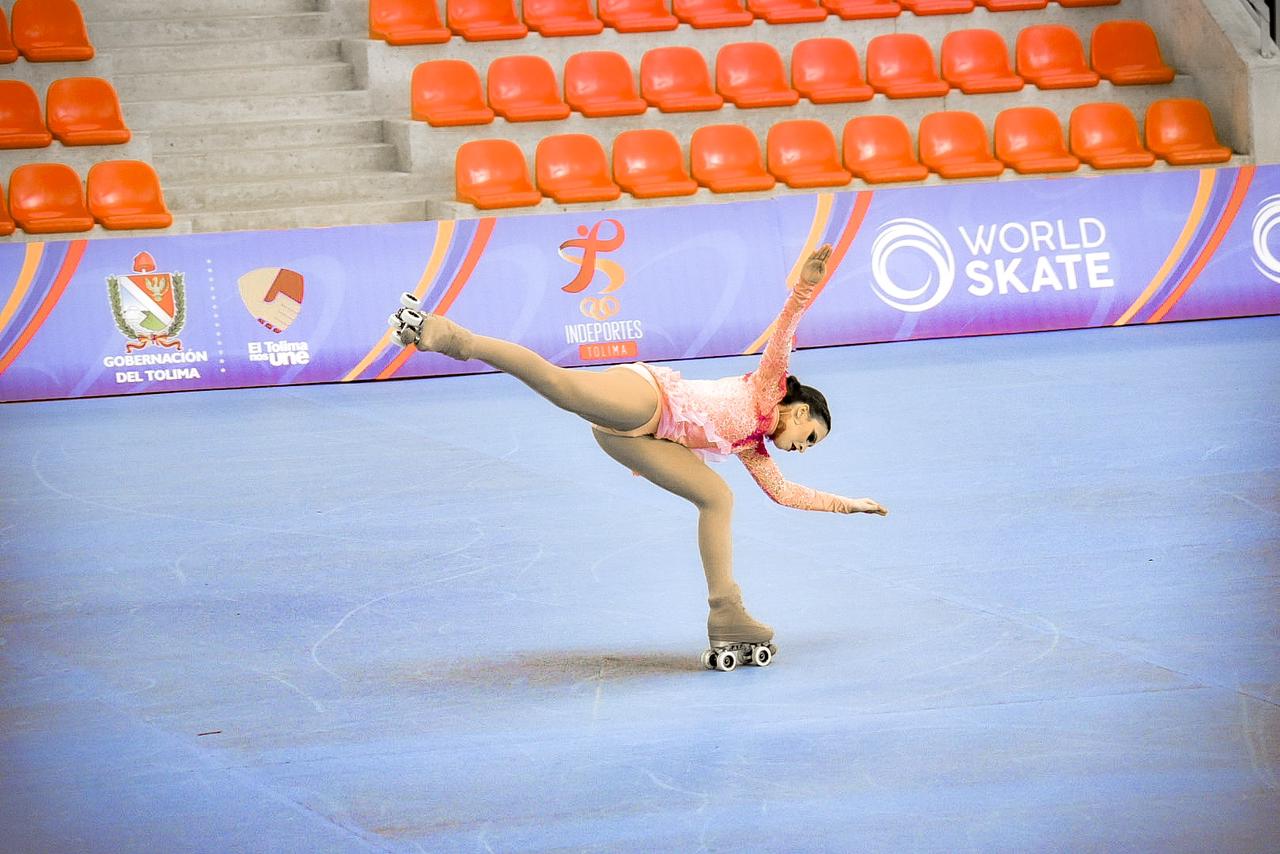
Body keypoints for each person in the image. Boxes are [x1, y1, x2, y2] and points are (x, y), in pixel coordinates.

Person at [392, 244, 887, 654]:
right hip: (648, 394)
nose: (803, 448)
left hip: (638, 438)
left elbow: (783, 493)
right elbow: (784, 333)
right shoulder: (766, 387)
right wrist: (805, 287)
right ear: (799, 412)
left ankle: (727, 613)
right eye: (810, 438)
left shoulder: (753, 446)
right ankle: (451, 336)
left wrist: (849, 504)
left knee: (717, 498)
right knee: (564, 389)